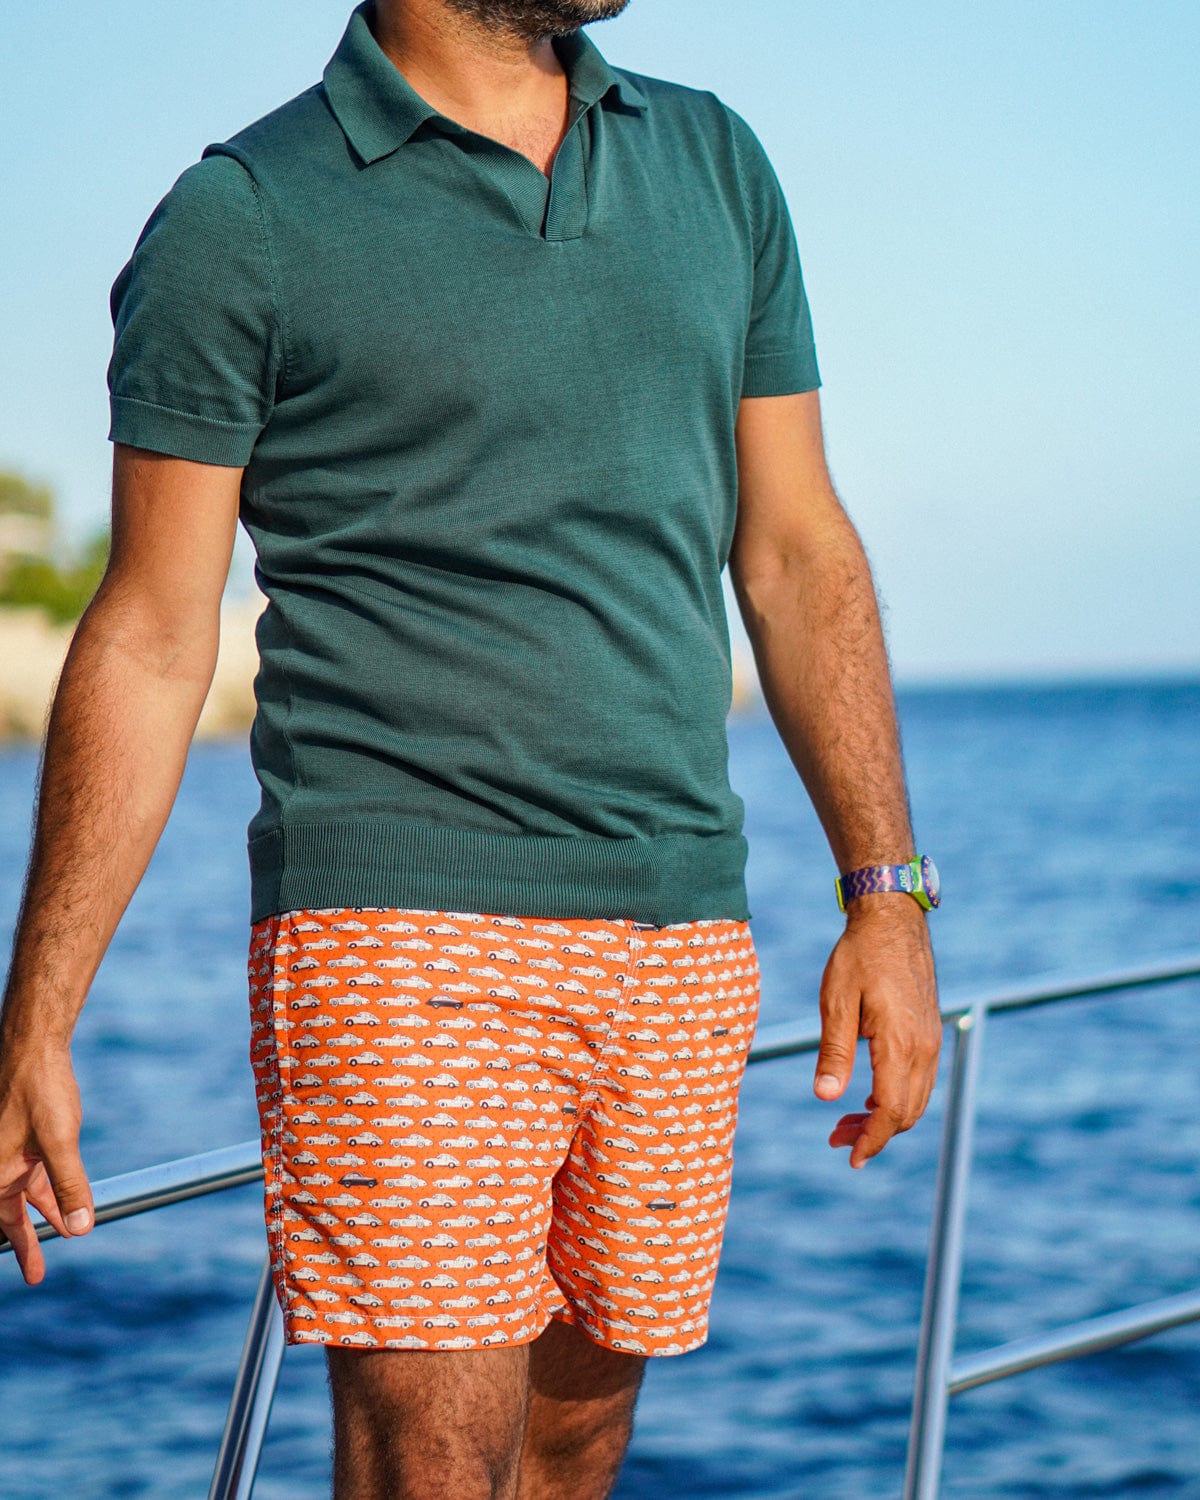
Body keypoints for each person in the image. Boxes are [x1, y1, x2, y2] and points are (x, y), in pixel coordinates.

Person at [0, 0, 942, 1494]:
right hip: (402, 927)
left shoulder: (712, 161)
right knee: (428, 1464)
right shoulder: (246, 215)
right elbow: (154, 632)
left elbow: (797, 551)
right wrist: (39, 1014)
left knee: (577, 1447)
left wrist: (886, 894)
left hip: (678, 922)